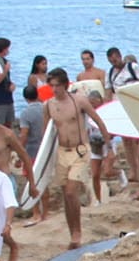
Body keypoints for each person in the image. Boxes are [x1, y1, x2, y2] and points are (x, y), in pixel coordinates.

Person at [39, 71, 100, 247]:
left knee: (72, 191)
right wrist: (44, 159)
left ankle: (77, 232)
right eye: (51, 85)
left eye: (57, 85)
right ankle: (71, 231)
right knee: (66, 195)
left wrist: (108, 146)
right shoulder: (48, 105)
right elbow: (46, 135)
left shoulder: (78, 101)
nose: (54, 89)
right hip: (61, 152)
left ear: (65, 84)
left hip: (80, 150)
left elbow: (97, 119)